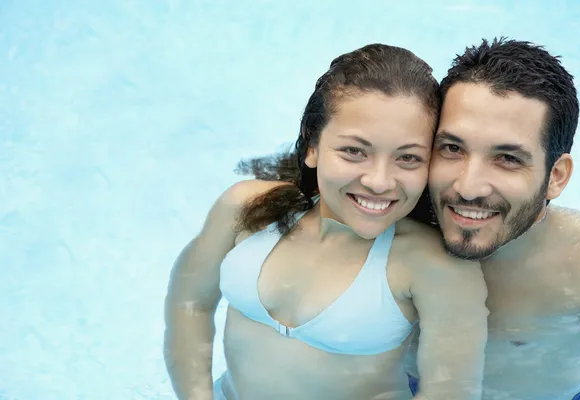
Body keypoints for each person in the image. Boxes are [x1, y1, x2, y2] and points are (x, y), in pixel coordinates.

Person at [163, 43, 489, 400]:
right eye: (354, 151)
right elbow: (189, 305)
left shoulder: (433, 266)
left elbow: (451, 393)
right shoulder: (249, 209)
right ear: (312, 147)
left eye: (408, 158)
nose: (379, 181)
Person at [403, 37, 580, 400]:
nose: (469, 187)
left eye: (508, 158)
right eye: (452, 148)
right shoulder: (386, 222)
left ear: (556, 176)